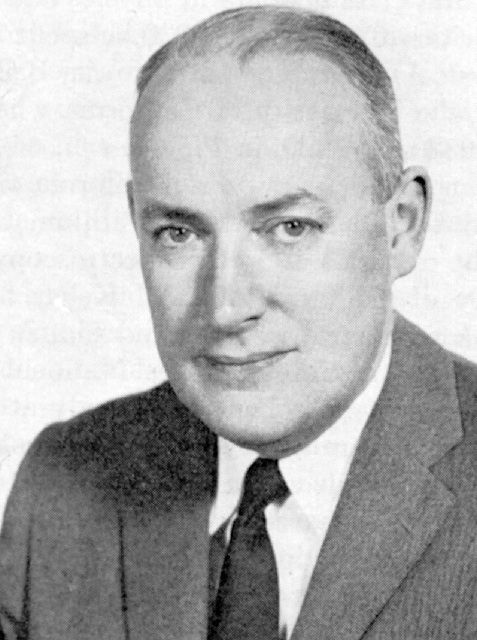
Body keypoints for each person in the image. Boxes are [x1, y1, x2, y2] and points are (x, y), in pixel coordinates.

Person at [0, 5, 476, 639]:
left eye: (289, 228)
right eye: (178, 232)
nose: (226, 307)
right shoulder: (63, 482)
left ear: (402, 226)